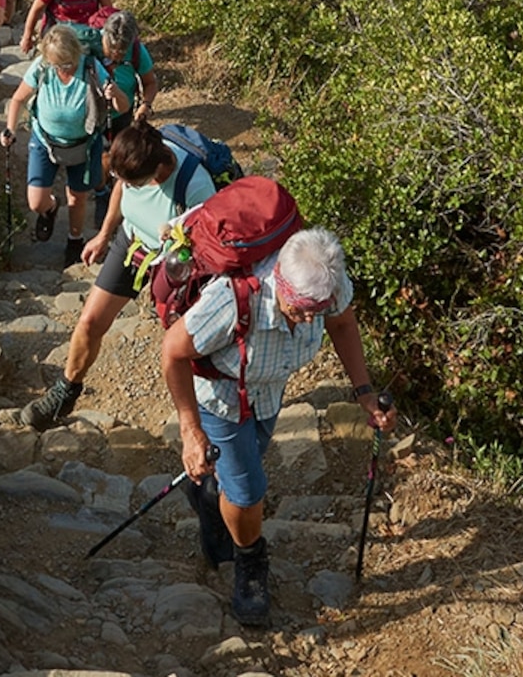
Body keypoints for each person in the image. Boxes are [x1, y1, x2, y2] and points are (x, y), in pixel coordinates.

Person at [162, 228, 396, 628]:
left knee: (235, 481)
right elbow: (172, 351)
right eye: (300, 308)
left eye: (316, 310)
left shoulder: (327, 287)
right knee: (249, 489)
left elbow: (342, 324)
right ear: (279, 282)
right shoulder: (232, 301)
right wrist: (190, 431)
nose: (309, 318)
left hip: (267, 396)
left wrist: (364, 393)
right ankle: (250, 563)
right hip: (220, 400)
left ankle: (207, 493)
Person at [25, 112, 218, 427]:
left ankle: (200, 417)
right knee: (89, 321)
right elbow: (120, 188)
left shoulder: (196, 187)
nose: (126, 186)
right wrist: (103, 234)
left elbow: (205, 248)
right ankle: (65, 391)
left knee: (181, 345)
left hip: (176, 264)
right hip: (132, 243)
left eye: (134, 183)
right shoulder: (135, 161)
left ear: (157, 171)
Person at [1, 24, 112, 257]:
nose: (63, 69)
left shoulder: (92, 68)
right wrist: (10, 128)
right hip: (45, 140)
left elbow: (120, 106)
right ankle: (51, 208)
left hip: (84, 144)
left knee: (78, 197)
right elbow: (18, 98)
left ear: (76, 53)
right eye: (58, 65)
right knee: (36, 203)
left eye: (67, 63)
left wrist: (115, 94)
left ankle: (75, 240)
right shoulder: (42, 67)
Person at [93, 7, 155, 121]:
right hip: (91, 116)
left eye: (122, 52)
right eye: (111, 49)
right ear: (104, 36)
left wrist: (145, 105)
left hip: (122, 114)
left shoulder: (137, 51)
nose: (115, 54)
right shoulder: (90, 45)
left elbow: (150, 82)